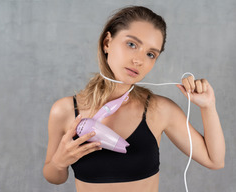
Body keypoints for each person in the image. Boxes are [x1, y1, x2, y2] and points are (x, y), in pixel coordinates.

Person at [43, 5, 225, 192]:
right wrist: (59, 162)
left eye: (150, 54)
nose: (139, 60)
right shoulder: (64, 110)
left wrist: (208, 106)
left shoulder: (159, 110)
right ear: (107, 42)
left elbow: (214, 160)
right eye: (131, 44)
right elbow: (53, 176)